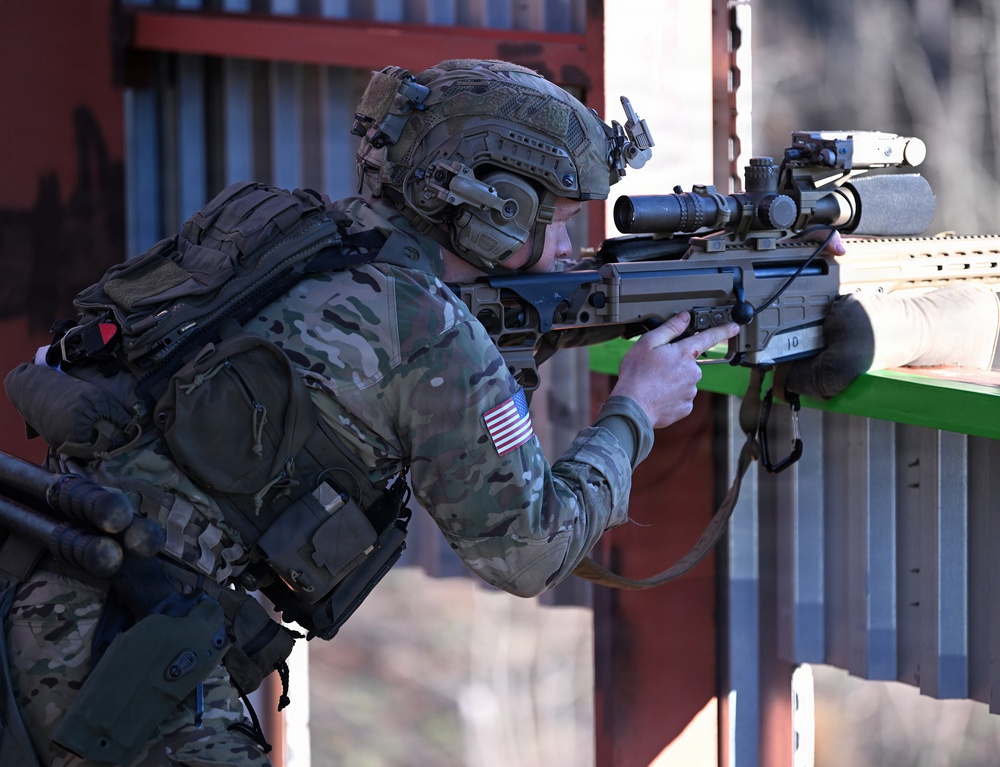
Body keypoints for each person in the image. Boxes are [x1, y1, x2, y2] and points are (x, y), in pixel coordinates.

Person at [1, 59, 741, 767]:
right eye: (559, 221)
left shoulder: (294, 232)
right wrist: (634, 411)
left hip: (42, 569)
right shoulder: (433, 333)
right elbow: (530, 551)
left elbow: (468, 325)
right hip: (120, 659)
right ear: (498, 210)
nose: (566, 248)